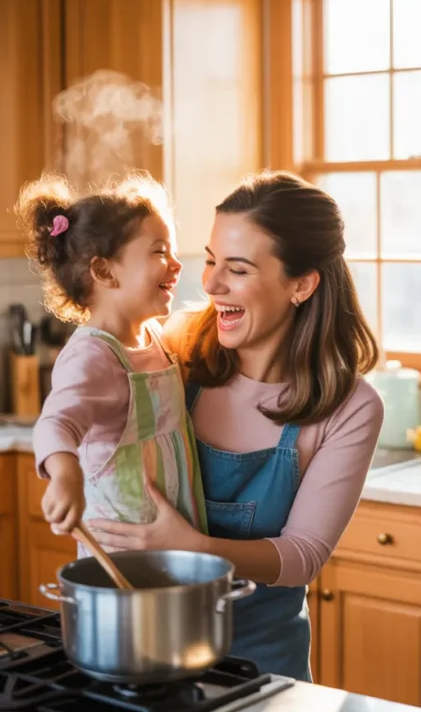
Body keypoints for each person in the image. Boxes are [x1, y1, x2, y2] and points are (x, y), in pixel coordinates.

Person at [89, 171, 384, 680]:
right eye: (210, 260)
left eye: (238, 269)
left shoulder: (350, 406)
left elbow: (302, 556)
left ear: (302, 284)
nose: (209, 284)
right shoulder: (174, 352)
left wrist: (194, 548)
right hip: (146, 650)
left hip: (262, 667)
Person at [19, 173, 207, 549]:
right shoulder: (92, 355)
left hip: (176, 545)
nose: (176, 264)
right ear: (104, 270)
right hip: (122, 556)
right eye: (159, 251)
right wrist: (65, 474)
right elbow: (55, 423)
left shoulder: (153, 337)